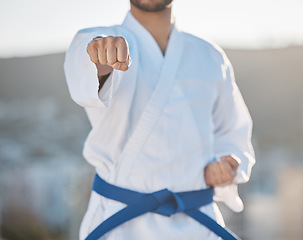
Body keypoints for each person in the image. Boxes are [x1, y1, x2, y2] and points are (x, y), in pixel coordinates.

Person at [64, 0, 255, 239]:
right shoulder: (99, 41)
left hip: (197, 223)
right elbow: (83, 66)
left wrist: (226, 165)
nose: (98, 48)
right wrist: (98, 58)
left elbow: (233, 133)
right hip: (120, 223)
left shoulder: (210, 56)